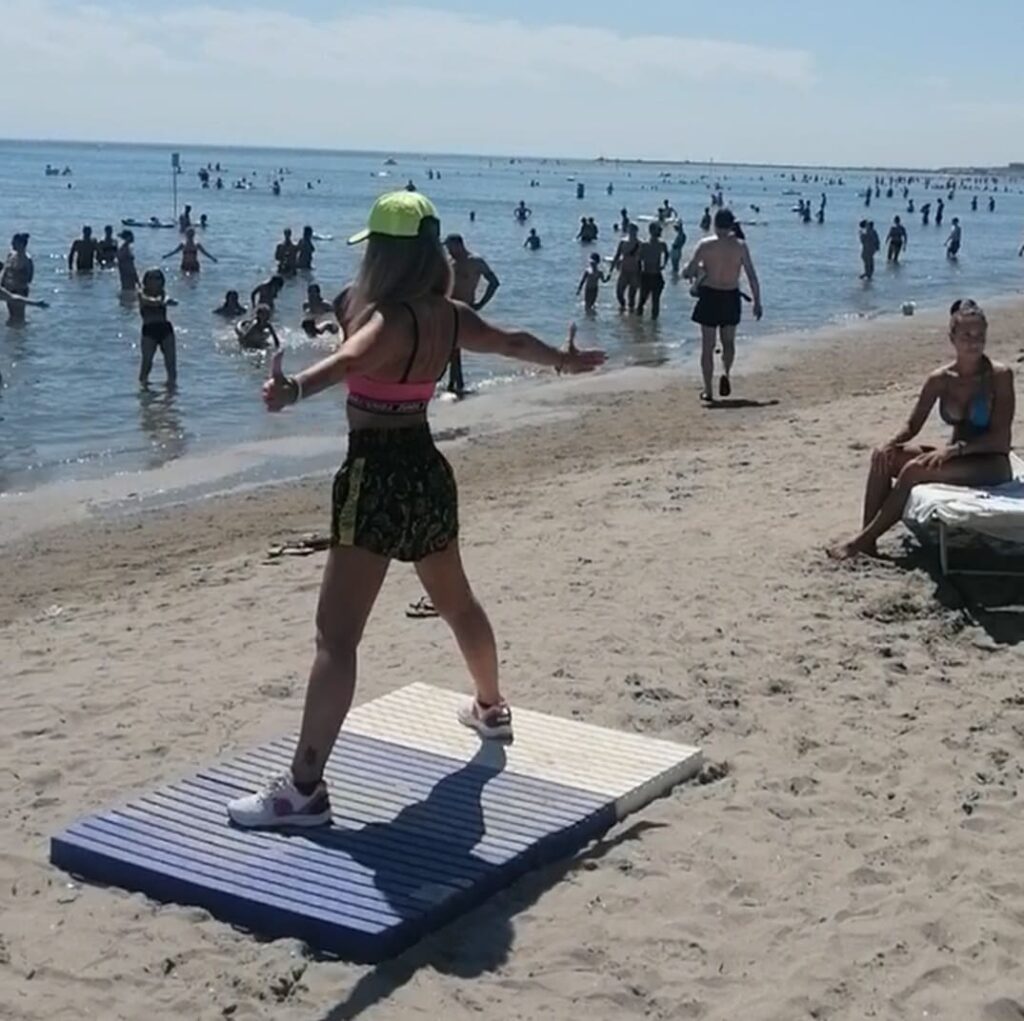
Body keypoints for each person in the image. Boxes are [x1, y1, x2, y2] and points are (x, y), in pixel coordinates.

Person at [224, 191, 604, 829]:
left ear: (383, 253)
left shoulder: (388, 319)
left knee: (336, 638)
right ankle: (490, 708)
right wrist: (563, 361)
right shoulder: (447, 315)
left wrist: (293, 388)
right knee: (457, 602)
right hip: (426, 468)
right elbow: (512, 342)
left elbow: (348, 361)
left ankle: (303, 790)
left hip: (375, 474)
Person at [828, 299, 1014, 560]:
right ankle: (868, 543)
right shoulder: (940, 379)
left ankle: (860, 541)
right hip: (956, 457)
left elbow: (1001, 440)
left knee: (914, 470)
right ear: (952, 338)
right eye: (966, 335)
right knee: (884, 457)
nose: (974, 342)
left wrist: (955, 450)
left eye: (980, 336)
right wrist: (888, 443)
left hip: (990, 463)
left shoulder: (999, 376)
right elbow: (912, 425)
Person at [683, 208, 763, 402]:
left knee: (707, 346)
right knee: (728, 343)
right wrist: (757, 302)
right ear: (731, 225)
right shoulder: (740, 246)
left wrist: (696, 269)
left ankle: (708, 390)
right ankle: (726, 372)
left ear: (714, 224)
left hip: (710, 296)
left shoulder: (705, 245)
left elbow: (688, 271)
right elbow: (752, 276)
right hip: (730, 296)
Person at [441, 234, 500, 397]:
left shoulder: (475, 261)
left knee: (454, 346)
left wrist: (480, 304)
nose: (448, 250)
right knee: (451, 347)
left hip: (465, 309)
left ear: (459, 245)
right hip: (447, 308)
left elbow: (494, 283)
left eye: (449, 247)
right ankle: (455, 383)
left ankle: (454, 384)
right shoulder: (449, 262)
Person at [137, 268, 178, 386]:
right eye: (151, 278)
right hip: (149, 331)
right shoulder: (141, 294)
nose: (155, 281)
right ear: (146, 281)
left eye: (158, 278)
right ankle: (144, 391)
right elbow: (148, 301)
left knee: (171, 364)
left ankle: (171, 394)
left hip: (165, 329)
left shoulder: (163, 293)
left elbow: (167, 299)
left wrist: (166, 300)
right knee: (147, 363)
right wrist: (160, 302)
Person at [1, 233, 37, 324]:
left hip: (20, 290)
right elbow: (5, 270)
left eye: (14, 242)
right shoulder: (11, 255)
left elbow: (29, 278)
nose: (12, 244)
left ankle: (22, 335)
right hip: (8, 289)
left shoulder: (27, 259)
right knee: (12, 316)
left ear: (21, 244)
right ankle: (13, 336)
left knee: (19, 317)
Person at [637, 222, 669, 319]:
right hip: (646, 275)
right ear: (651, 231)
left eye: (660, 229)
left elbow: (667, 254)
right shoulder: (644, 245)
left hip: (656, 275)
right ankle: (638, 327)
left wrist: (663, 265)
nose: (660, 231)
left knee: (656, 301)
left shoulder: (662, 244)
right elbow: (638, 260)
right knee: (642, 301)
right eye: (657, 229)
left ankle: (654, 327)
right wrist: (639, 274)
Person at [610, 222, 641, 312]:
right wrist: (610, 271)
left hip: (635, 272)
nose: (632, 232)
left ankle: (631, 314)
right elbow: (616, 256)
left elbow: (642, 260)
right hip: (624, 271)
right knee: (619, 293)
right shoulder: (623, 242)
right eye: (630, 230)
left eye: (633, 230)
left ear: (636, 231)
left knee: (632, 296)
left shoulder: (640, 244)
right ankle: (622, 307)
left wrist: (642, 276)